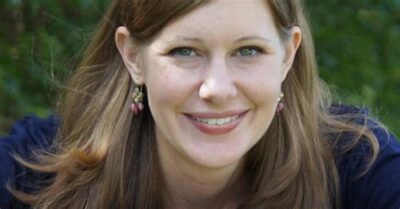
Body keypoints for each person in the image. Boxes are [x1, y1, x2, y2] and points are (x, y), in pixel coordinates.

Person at [1, 0, 399, 208]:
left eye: (248, 50)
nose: (217, 88)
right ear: (133, 58)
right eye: (185, 52)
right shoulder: (35, 170)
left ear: (287, 56)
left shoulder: (354, 164)